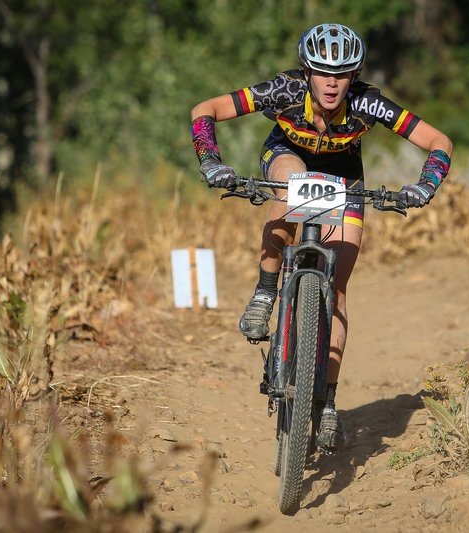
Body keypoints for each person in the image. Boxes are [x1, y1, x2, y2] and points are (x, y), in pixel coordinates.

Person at [191, 23, 452, 449]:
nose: (332, 83)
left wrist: (425, 184)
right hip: (286, 158)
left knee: (339, 289)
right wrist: (211, 161)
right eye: (322, 72)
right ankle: (264, 292)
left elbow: (439, 140)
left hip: (344, 178)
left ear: (355, 75)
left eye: (343, 73)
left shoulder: (369, 103)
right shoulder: (284, 91)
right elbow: (205, 109)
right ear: (306, 72)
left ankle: (327, 403)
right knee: (293, 183)